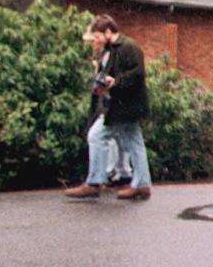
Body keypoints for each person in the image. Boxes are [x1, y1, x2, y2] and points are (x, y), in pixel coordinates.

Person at [65, 15, 153, 200]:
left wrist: (115, 82)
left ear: (108, 32)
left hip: (124, 107)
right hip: (122, 107)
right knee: (134, 143)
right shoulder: (111, 49)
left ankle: (95, 182)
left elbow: (138, 74)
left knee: (97, 136)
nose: (95, 40)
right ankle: (141, 184)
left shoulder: (129, 47)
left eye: (97, 35)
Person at [84, 29, 131, 186]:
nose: (92, 44)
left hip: (112, 102)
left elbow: (110, 78)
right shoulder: (103, 55)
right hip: (107, 101)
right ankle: (121, 172)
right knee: (118, 137)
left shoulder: (109, 55)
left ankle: (110, 172)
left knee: (104, 136)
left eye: (93, 40)